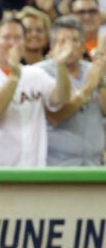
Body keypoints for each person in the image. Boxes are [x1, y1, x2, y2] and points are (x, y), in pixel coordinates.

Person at [0, 18, 72, 167]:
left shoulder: (35, 74)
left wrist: (60, 66)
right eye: (6, 37)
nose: (12, 43)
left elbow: (60, 99)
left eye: (18, 38)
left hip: (32, 168)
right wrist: (14, 75)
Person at [37, 16, 106, 166]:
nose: (69, 47)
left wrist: (101, 85)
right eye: (63, 41)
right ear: (52, 47)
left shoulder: (92, 70)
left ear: (82, 46)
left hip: (93, 162)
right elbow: (54, 117)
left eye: (74, 40)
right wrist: (88, 88)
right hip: (57, 163)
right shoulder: (41, 73)